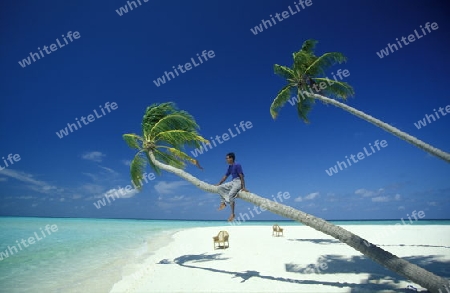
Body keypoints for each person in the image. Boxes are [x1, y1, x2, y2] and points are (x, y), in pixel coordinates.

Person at [215, 152, 248, 221]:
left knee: (231, 195)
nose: (226, 160)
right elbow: (225, 176)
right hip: (233, 182)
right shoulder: (230, 167)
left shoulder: (237, 165)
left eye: (227, 158)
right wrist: (219, 183)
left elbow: (241, 176)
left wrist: (243, 187)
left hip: (238, 182)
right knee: (220, 187)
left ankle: (232, 214)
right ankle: (223, 203)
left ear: (231, 158)